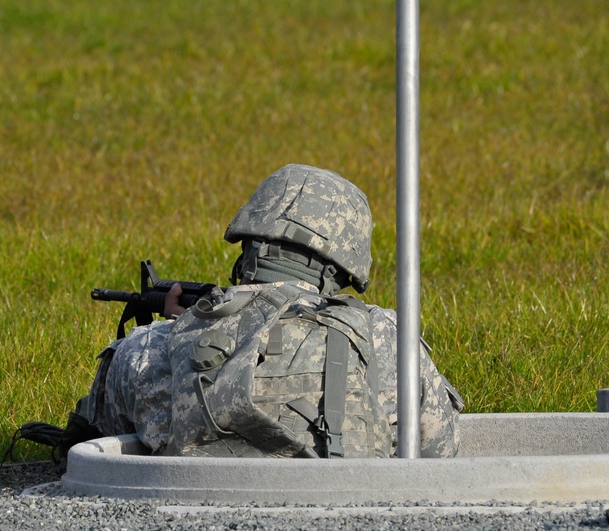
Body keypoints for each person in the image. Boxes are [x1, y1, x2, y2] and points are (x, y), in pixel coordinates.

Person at [63, 164, 463, 459]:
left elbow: (95, 455)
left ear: (247, 246)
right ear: (341, 267)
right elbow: (440, 450)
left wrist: (180, 334)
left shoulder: (146, 350)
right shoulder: (387, 337)